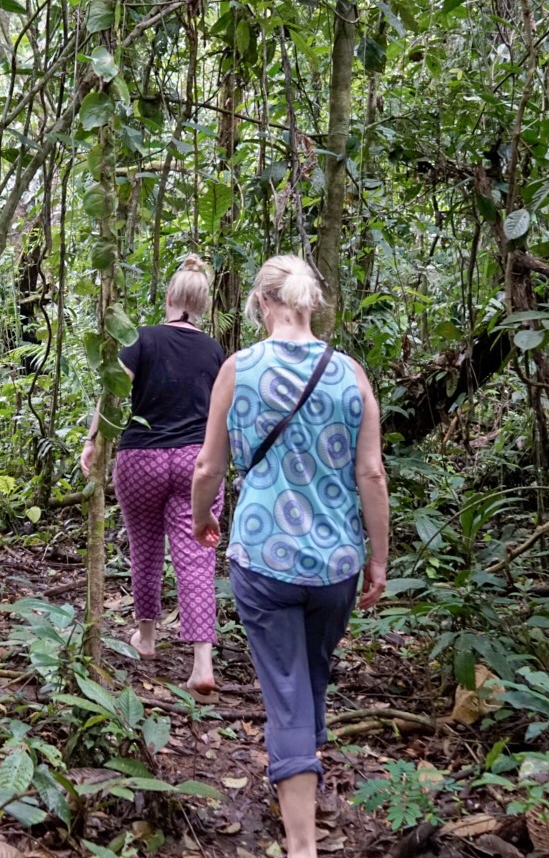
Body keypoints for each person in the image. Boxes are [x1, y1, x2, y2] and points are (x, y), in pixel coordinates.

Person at [189, 254, 390, 858]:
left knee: (288, 689)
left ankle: (301, 842)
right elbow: (371, 473)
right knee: (308, 677)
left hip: (263, 557)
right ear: (309, 303)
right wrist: (378, 557)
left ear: (260, 303)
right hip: (336, 564)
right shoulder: (351, 373)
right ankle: (303, 767)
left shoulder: (238, 369)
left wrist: (203, 520)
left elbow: (208, 465)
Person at [81, 255, 226, 693]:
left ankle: (145, 638)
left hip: (141, 458)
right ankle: (202, 662)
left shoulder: (141, 339)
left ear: (168, 298)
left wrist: (92, 440)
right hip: (195, 463)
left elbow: (113, 395)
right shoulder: (215, 350)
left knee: (145, 547)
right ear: (204, 305)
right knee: (198, 553)